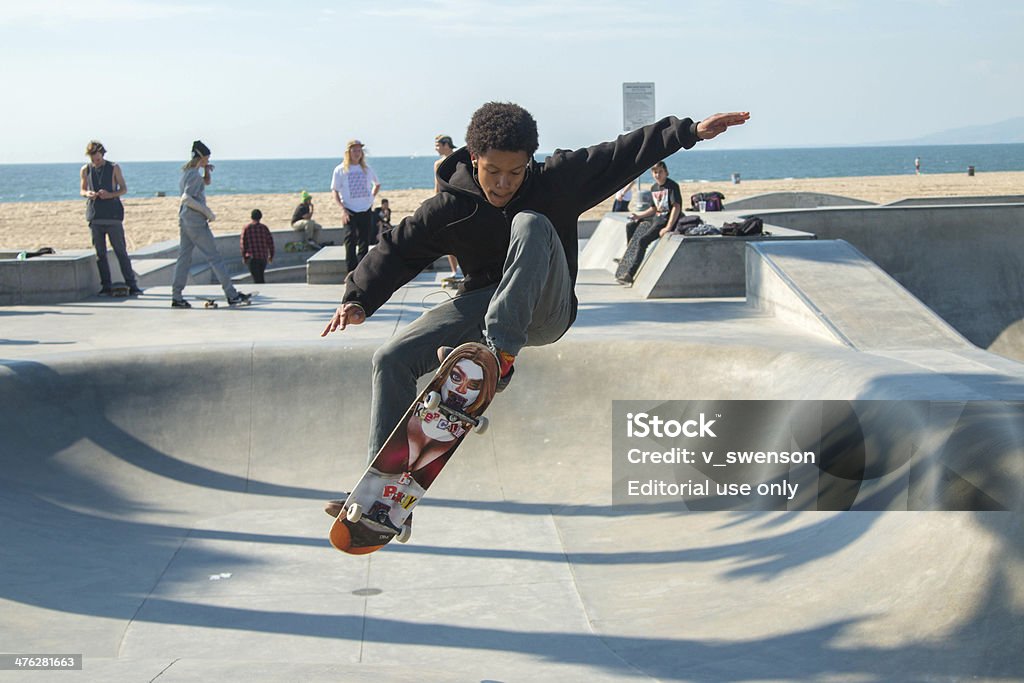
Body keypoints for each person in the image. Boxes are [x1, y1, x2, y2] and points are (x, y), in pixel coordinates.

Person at [321, 101, 749, 473]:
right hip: (483, 308)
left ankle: (499, 359)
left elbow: (620, 155)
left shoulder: (557, 181)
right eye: (493, 172)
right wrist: (359, 297)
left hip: (547, 307)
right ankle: (384, 484)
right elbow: (399, 248)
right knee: (390, 358)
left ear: (530, 161)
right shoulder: (449, 207)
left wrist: (689, 131)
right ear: (474, 159)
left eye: (515, 172)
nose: (504, 184)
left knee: (530, 222)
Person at [171, 140, 251, 308]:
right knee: (214, 257)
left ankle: (176, 296)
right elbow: (187, 198)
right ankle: (231, 294)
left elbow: (204, 183)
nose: (209, 160)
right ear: (201, 156)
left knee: (184, 257)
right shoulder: (193, 174)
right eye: (207, 158)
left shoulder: (188, 172)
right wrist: (208, 212)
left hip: (185, 220)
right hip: (195, 222)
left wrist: (207, 171)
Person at [79, 141, 142, 296]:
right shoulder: (85, 169)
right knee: (100, 254)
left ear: (102, 153)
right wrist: (89, 194)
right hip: (95, 216)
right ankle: (105, 286)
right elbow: (82, 189)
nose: (95, 160)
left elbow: (123, 189)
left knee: (121, 251)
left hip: (113, 216)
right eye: (92, 158)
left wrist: (110, 195)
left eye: (97, 157)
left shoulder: (114, 167)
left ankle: (132, 284)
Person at [615, 161, 682, 285]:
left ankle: (630, 274)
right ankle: (630, 254)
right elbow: (654, 208)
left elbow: (676, 207)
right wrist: (638, 216)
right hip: (656, 217)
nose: (657, 175)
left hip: (665, 220)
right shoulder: (654, 188)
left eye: (660, 172)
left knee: (643, 241)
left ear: (666, 172)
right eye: (655, 172)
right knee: (631, 225)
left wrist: (668, 227)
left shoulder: (672, 186)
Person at [331, 140, 380, 273]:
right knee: (350, 239)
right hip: (349, 210)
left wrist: (371, 198)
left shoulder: (366, 169)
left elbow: (377, 184)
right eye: (354, 150)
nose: (357, 153)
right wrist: (343, 209)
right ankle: (350, 271)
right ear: (348, 152)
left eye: (359, 150)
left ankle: (362, 271)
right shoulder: (340, 170)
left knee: (364, 240)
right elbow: (334, 190)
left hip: (365, 208)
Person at [434, 134, 461, 277]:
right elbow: (437, 186)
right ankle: (454, 270)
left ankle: (464, 269)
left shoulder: (459, 159)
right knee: (449, 237)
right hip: (445, 202)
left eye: (438, 145)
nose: (436, 148)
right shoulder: (437, 164)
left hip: (459, 200)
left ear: (446, 144)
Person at [241, 209, 274, 284]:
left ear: (251, 217)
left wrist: (244, 257)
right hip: (263, 257)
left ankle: (261, 293)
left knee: (257, 279)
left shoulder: (247, 228)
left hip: (252, 258)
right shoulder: (264, 228)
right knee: (260, 277)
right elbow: (270, 243)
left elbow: (243, 244)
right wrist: (271, 256)